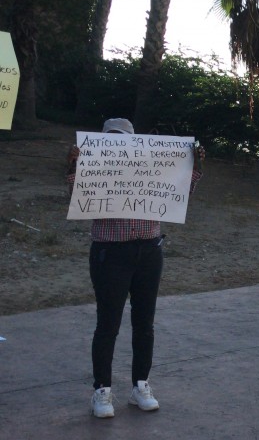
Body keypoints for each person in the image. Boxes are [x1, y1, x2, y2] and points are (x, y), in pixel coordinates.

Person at [66, 118, 204, 418]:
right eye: (111, 140)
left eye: (122, 139)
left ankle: (141, 385)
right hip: (109, 252)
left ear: (133, 141)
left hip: (148, 251)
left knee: (145, 324)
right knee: (108, 325)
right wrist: (74, 166)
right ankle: (101, 390)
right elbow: (76, 197)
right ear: (102, 142)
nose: (117, 145)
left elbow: (178, 193)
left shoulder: (149, 162)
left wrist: (194, 163)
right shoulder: (92, 163)